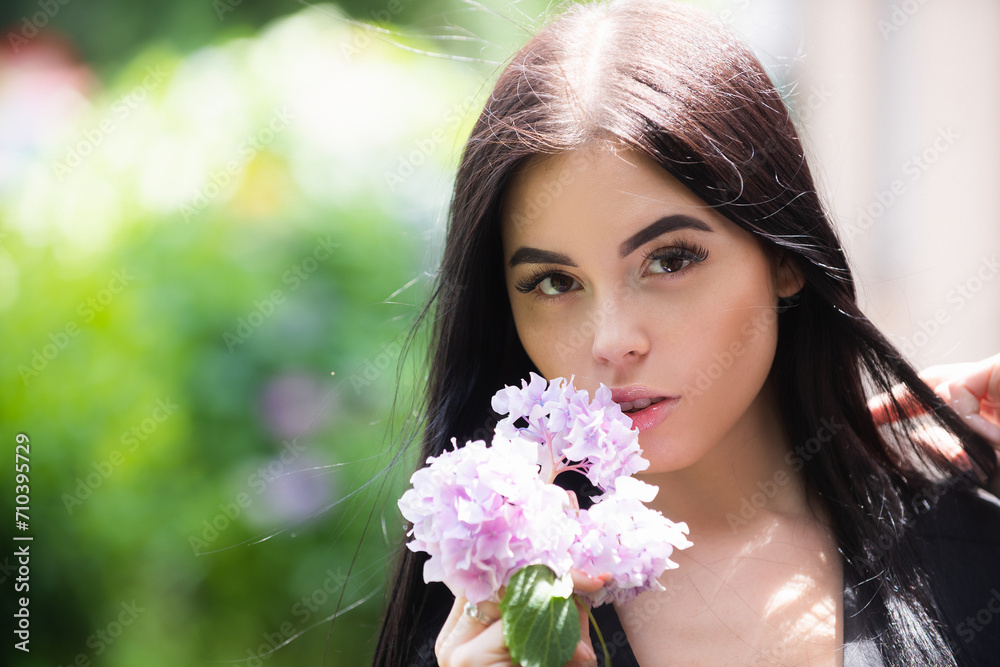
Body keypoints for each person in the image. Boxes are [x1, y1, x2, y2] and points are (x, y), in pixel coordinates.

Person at [369, 1, 1000, 665]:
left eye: (669, 260)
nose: (613, 340)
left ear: (784, 257)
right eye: (555, 283)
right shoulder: (487, 627)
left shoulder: (972, 552)